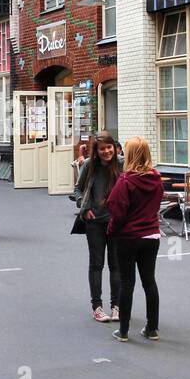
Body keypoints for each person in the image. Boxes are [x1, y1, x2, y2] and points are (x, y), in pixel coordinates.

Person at [105, 137, 163, 341]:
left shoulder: (126, 181)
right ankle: (152, 328)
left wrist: (111, 231)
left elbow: (117, 211)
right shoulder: (156, 179)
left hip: (128, 237)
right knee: (149, 281)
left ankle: (123, 330)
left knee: (127, 282)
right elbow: (156, 205)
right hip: (152, 234)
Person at [74, 131, 123, 322]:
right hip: (95, 222)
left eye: (109, 147)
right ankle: (97, 306)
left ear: (114, 147)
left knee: (116, 265)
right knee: (96, 264)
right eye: (102, 149)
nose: (106, 152)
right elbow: (78, 188)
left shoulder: (121, 163)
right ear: (97, 151)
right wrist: (84, 207)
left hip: (116, 221)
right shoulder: (89, 165)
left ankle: (117, 306)